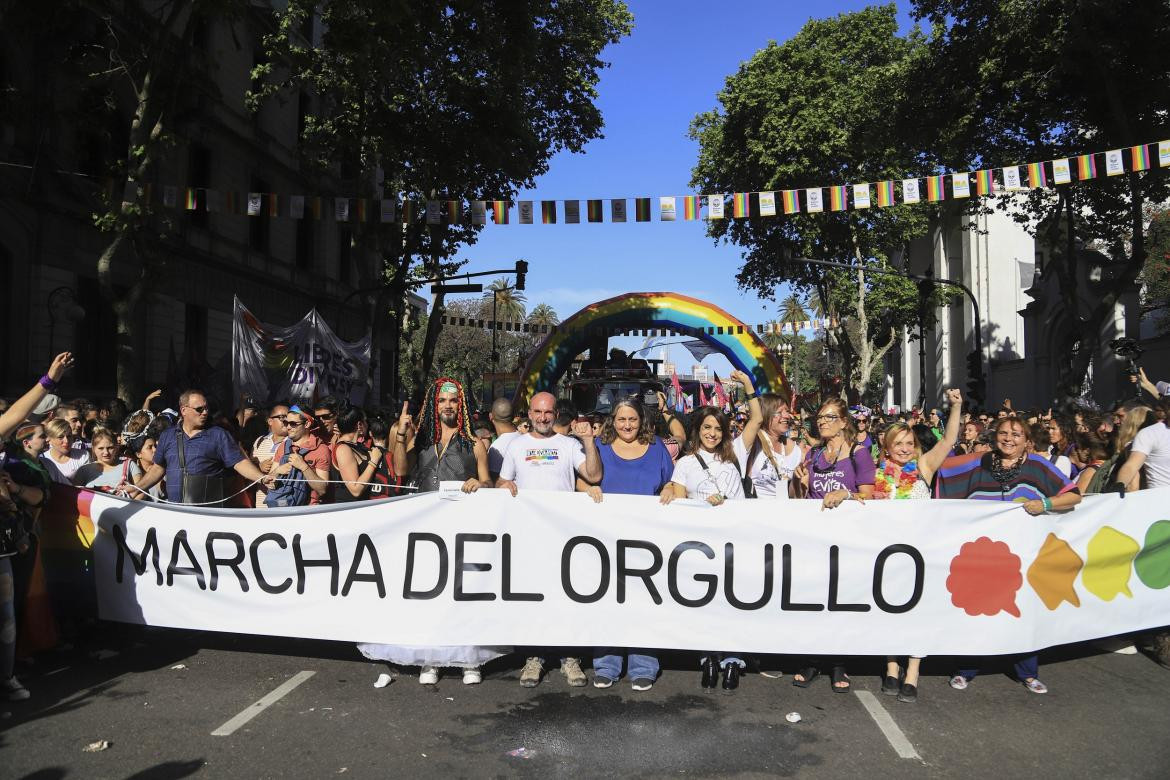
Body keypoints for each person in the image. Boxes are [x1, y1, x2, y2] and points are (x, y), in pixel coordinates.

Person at [362, 379, 499, 686]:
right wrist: (400, 434)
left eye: (452, 400)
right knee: (430, 593)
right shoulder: (421, 439)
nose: (447, 406)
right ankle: (431, 659)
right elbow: (400, 469)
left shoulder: (475, 443)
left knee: (462, 593)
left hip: (462, 527)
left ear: (460, 405)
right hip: (427, 529)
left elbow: (488, 481)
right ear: (433, 406)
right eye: (441, 401)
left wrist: (481, 483)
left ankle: (469, 660)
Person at [935, 416, 1082, 694]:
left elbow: (1073, 495)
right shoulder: (979, 462)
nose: (1008, 439)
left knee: (1021, 613)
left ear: (1027, 440)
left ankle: (1027, 673)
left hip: (1022, 557)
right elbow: (940, 471)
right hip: (981, 556)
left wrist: (1046, 503)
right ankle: (966, 668)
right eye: (1002, 433)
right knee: (976, 612)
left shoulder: (1038, 467)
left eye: (1016, 434)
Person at [497, 391, 601, 688]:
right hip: (529, 535)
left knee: (567, 597)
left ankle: (570, 657)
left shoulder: (568, 445)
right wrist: (505, 485)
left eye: (548, 413)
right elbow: (503, 481)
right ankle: (534, 657)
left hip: (564, 536)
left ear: (556, 414)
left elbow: (593, 476)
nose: (543, 418)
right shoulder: (516, 446)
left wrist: (590, 442)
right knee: (534, 597)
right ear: (529, 413)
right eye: (538, 412)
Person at [660, 391, 757, 691]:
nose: (712, 433)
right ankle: (708, 658)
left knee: (731, 604)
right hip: (699, 548)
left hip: (730, 545)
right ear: (697, 431)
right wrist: (670, 489)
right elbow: (678, 504)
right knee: (705, 604)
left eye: (717, 428)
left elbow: (757, 419)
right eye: (707, 428)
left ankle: (732, 659)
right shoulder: (687, 463)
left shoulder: (735, 458)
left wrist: (724, 502)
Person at [872, 388, 962, 703]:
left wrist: (956, 407)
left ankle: (913, 672)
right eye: (899, 444)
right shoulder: (878, 474)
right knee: (889, 614)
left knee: (917, 614)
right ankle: (891, 667)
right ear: (887, 446)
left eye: (910, 444)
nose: (906, 449)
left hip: (920, 556)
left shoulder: (923, 468)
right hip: (888, 556)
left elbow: (949, 441)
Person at [580, 396, 676, 692]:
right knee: (608, 601)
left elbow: (671, 482)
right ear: (613, 420)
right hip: (606, 539)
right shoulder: (602, 447)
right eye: (621, 419)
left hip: (648, 539)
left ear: (641, 420)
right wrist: (590, 488)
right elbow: (580, 480)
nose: (627, 425)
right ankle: (606, 664)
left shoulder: (657, 447)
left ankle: (643, 664)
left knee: (645, 602)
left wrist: (671, 488)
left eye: (632, 419)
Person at [790, 397, 877, 693]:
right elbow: (800, 496)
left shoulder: (859, 454)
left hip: (848, 541)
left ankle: (839, 663)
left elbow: (869, 494)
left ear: (843, 422)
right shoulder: (813, 454)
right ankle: (812, 660)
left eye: (829, 417)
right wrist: (798, 482)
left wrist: (846, 494)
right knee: (813, 600)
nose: (822, 422)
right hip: (814, 539)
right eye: (820, 418)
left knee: (840, 602)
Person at [135, 390, 267, 505]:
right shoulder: (168, 436)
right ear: (184, 410)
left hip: (206, 513)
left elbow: (239, 462)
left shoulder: (218, 435)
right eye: (199, 409)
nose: (205, 412)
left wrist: (262, 478)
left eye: (206, 408)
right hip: (175, 510)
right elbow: (157, 469)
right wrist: (135, 488)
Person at [735, 385, 805, 500]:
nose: (787, 416)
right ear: (766, 415)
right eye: (779, 412)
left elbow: (795, 495)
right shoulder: (753, 443)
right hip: (755, 512)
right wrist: (746, 382)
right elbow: (755, 420)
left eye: (787, 411)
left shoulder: (795, 450)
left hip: (783, 512)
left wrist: (797, 480)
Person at [263, 406, 331, 507]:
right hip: (282, 509)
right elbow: (270, 485)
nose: (288, 427)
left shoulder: (321, 449)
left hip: (308, 512)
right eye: (286, 423)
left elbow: (322, 490)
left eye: (293, 424)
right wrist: (277, 472)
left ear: (307, 424)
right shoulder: (284, 446)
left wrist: (304, 467)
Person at [330, 407, 391, 502]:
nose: (368, 425)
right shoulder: (343, 449)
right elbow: (355, 489)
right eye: (365, 421)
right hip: (349, 510)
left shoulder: (358, 446)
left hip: (363, 506)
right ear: (359, 425)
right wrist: (373, 462)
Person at [71, 429, 144, 496]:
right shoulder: (84, 470)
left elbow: (142, 493)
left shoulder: (129, 464)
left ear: (116, 447)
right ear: (93, 449)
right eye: (101, 448)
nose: (106, 452)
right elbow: (73, 495)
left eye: (110, 448)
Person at [252, 403, 289, 508]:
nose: (286, 421)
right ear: (270, 421)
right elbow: (248, 469)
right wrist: (259, 467)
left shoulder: (294, 443)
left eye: (288, 417)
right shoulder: (259, 441)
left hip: (284, 506)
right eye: (282, 417)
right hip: (261, 507)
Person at [41, 418, 90, 482]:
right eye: (60, 437)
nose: (66, 441)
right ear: (49, 439)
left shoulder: (83, 455)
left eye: (69, 436)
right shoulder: (42, 459)